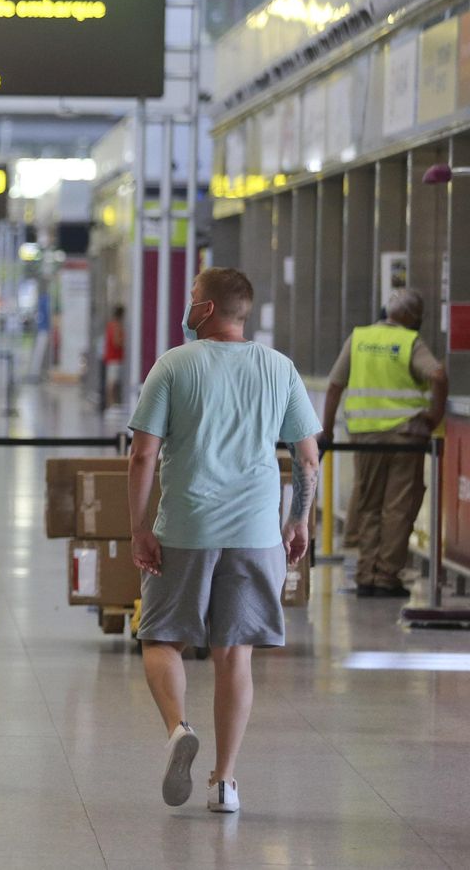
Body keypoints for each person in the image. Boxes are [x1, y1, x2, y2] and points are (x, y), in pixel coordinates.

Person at [127, 267, 321, 817]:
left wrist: (139, 527)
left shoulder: (173, 364)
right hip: (257, 532)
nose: (187, 305)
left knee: (162, 637)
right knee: (234, 654)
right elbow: (307, 457)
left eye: (191, 297)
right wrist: (299, 520)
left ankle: (177, 729)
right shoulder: (279, 368)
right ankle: (225, 783)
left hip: (185, 528)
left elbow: (142, 455)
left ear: (207, 310)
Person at [319, 288, 448, 598]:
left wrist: (328, 430)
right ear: (412, 318)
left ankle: (365, 574)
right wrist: (434, 415)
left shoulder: (359, 338)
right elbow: (439, 375)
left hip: (364, 435)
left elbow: (335, 385)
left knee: (369, 504)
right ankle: (387, 577)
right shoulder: (409, 341)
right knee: (398, 507)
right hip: (405, 436)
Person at [105, 304, 127, 407]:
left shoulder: (110, 324)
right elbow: (116, 342)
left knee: (111, 382)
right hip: (115, 357)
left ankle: (111, 403)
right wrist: (124, 342)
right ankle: (112, 403)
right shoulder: (117, 326)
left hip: (111, 357)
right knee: (113, 382)